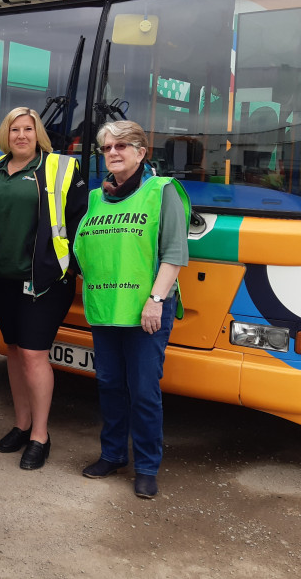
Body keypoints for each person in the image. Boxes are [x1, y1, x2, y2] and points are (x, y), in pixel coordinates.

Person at [73, 120, 189, 499]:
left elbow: (173, 253)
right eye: (107, 148)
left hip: (146, 312)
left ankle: (147, 467)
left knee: (142, 391)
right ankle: (111, 456)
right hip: (106, 310)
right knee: (109, 386)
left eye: (122, 146)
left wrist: (155, 301)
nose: (114, 153)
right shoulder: (95, 198)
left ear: (141, 152)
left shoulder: (162, 190)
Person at [0, 108, 87, 470]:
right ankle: (21, 424)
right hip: (0, 278)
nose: (22, 135)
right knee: (12, 350)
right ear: (6, 134)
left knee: (33, 354)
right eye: (15, 129)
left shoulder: (60, 167)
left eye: (28, 129)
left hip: (44, 281)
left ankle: (40, 435)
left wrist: (69, 267)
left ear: (38, 133)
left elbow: (79, 221)